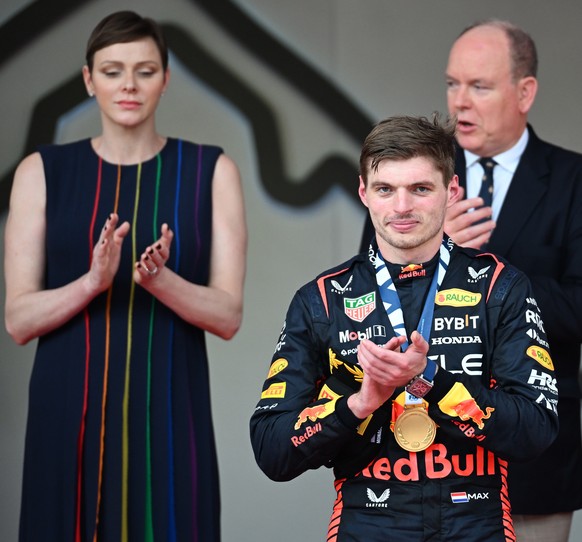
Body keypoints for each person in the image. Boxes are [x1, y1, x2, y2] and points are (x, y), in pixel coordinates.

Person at [251, 114, 558, 541]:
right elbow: (272, 451)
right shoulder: (322, 298)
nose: (401, 207)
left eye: (420, 189)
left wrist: (430, 381)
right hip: (367, 526)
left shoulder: (499, 287)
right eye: (385, 189)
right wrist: (358, 403)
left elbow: (537, 429)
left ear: (451, 191)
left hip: (476, 527)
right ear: (364, 193)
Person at [4, 11, 246, 542]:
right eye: (112, 71)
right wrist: (92, 281)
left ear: (165, 79)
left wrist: (161, 281)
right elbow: (18, 321)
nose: (129, 85)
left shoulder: (211, 170)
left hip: (169, 411)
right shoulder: (42, 172)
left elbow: (228, 316)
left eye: (144, 70)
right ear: (89, 80)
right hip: (65, 414)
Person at [359, 20, 582, 541]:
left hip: (533, 461)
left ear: (525, 92)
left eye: (479, 86)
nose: (460, 102)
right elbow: (361, 295)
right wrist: (429, 249)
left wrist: (478, 270)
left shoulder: (574, 181)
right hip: (413, 462)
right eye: (452, 84)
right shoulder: (416, 177)